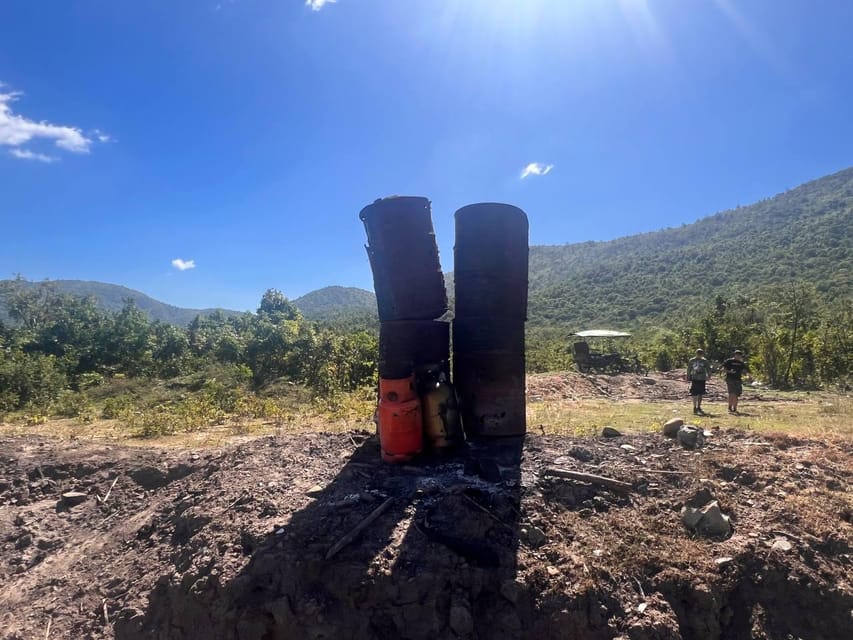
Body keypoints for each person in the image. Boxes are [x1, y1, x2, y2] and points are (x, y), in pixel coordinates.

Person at [722, 349, 748, 414]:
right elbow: (724, 370)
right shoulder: (729, 361)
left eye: (740, 355)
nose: (738, 356)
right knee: (731, 393)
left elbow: (744, 371)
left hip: (738, 379)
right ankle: (729, 407)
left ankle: (735, 408)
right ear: (734, 355)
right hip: (730, 379)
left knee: (736, 394)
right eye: (737, 355)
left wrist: (747, 375)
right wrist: (729, 371)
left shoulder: (741, 363)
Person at [686, 348, 711, 415]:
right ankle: (694, 406)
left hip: (702, 378)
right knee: (694, 393)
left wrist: (709, 376)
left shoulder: (704, 361)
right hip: (694, 378)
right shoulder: (692, 360)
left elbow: (708, 369)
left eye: (700, 354)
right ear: (696, 353)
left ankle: (699, 406)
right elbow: (689, 369)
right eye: (698, 353)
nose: (699, 355)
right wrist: (687, 376)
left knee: (700, 393)